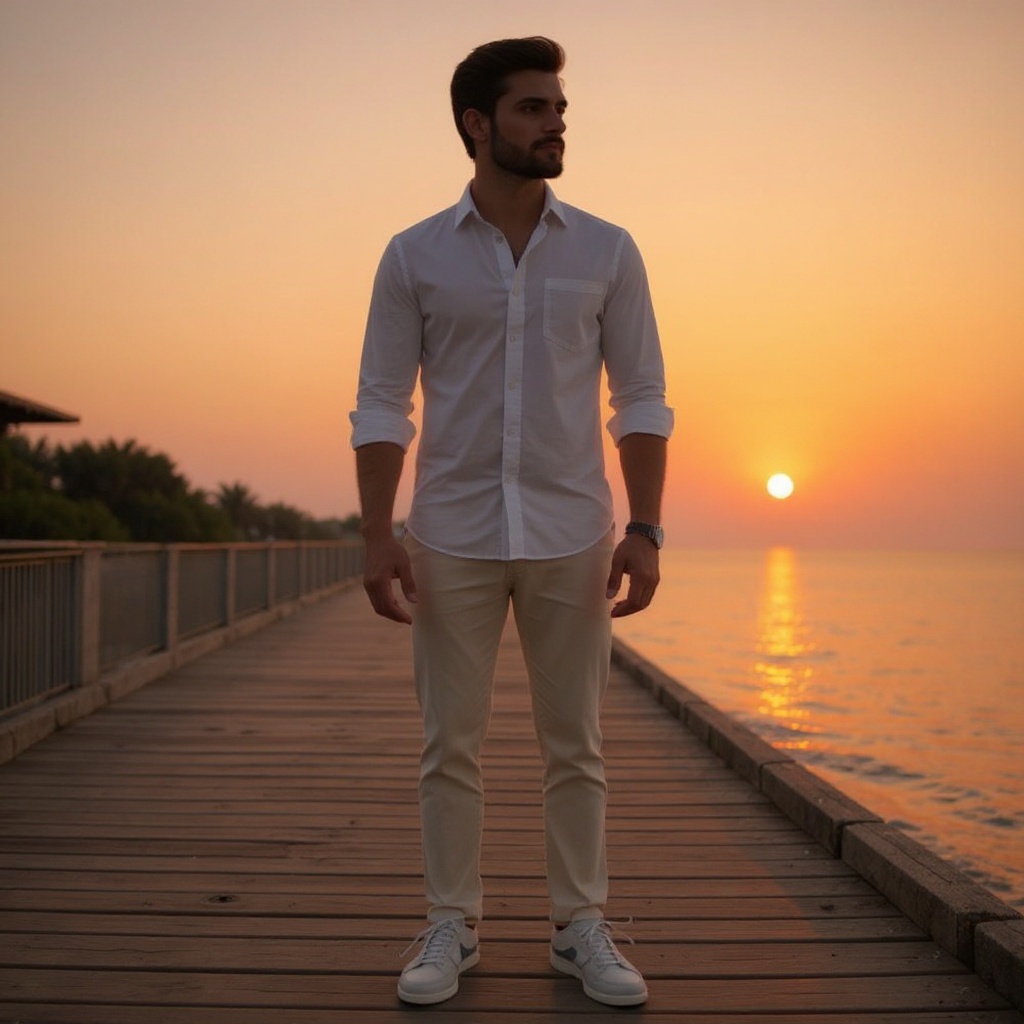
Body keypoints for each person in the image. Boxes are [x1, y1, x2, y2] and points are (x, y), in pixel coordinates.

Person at [350, 36, 673, 1008]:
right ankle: (452, 920)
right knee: (449, 741)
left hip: (574, 530)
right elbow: (379, 402)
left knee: (573, 741)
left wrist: (646, 529)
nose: (555, 122)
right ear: (477, 124)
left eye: (559, 107)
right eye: (534, 108)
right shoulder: (413, 255)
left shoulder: (609, 249)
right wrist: (377, 535)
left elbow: (642, 396)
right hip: (447, 529)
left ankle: (580, 925)